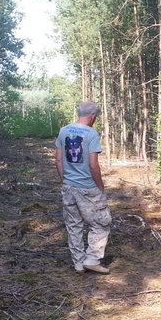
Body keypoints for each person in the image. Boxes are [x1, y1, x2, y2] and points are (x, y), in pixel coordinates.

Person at [55, 101, 112, 275]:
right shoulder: (91, 134)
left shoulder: (64, 131)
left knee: (74, 225)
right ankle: (92, 259)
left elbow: (57, 160)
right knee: (102, 222)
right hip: (88, 187)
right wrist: (100, 187)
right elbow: (93, 165)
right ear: (93, 115)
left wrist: (65, 180)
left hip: (69, 186)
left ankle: (78, 263)